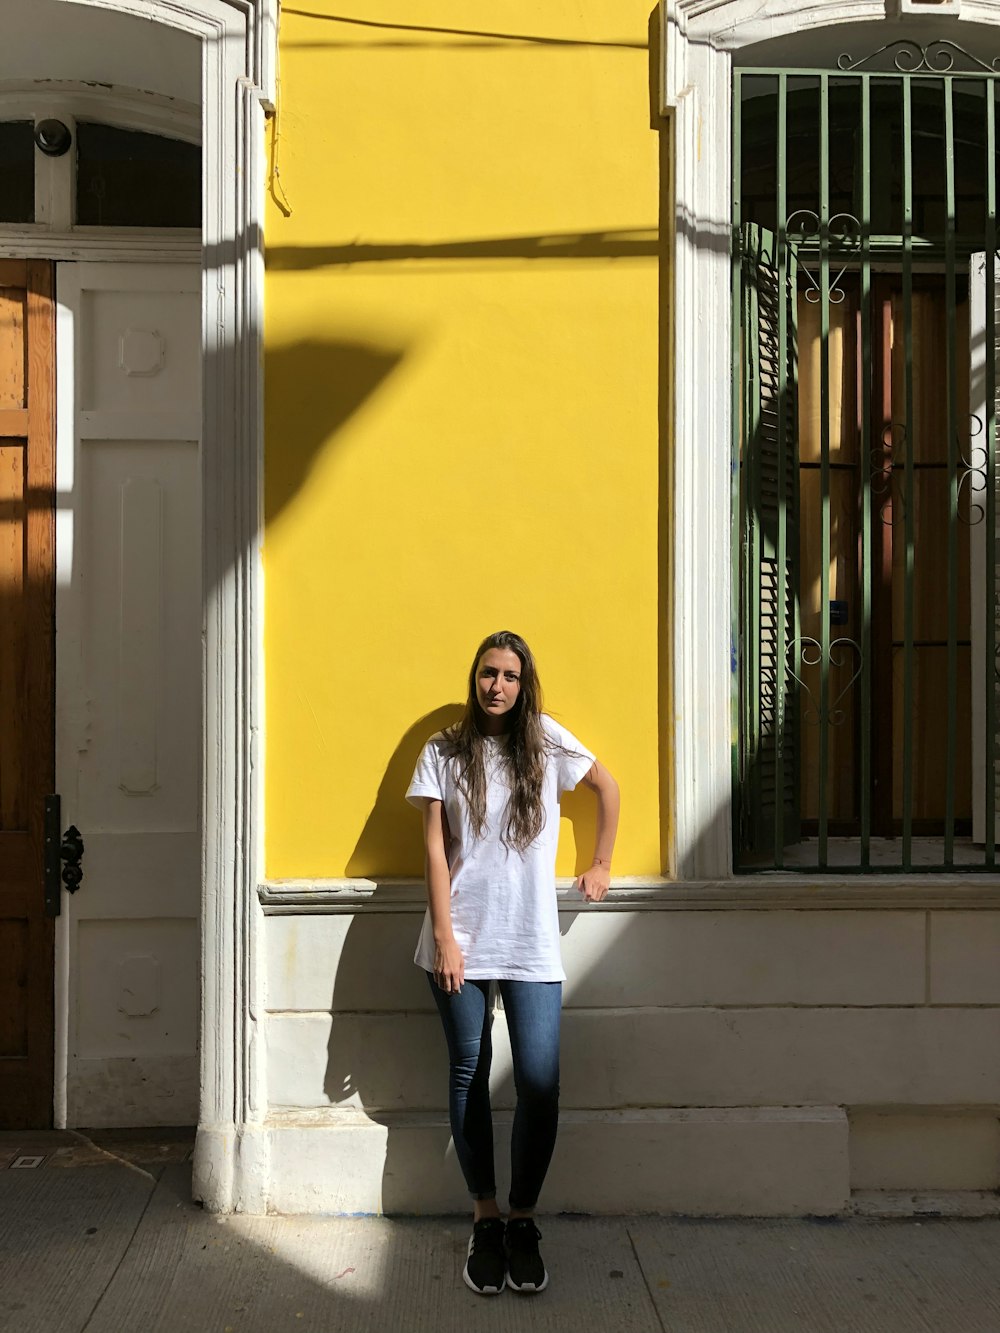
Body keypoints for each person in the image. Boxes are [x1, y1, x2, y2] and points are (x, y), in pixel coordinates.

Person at [406, 630, 620, 1296]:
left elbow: (607, 787)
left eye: (508, 675)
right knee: (469, 1070)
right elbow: (436, 852)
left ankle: (523, 1217)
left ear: (525, 684)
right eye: (486, 672)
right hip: (460, 935)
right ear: (474, 677)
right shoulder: (442, 749)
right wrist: (445, 935)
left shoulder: (547, 742)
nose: (495, 685)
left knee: (538, 1080)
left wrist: (602, 861)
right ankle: (486, 1216)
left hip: (530, 939)